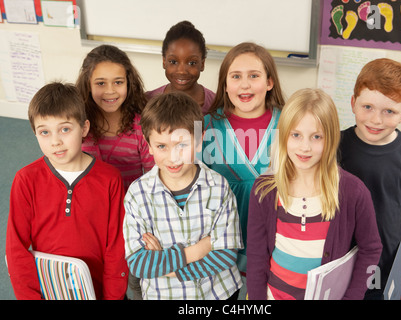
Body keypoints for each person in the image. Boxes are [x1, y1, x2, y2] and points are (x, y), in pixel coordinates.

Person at [246, 88, 382, 300]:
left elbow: (371, 249)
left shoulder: (353, 192)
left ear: (331, 139)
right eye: (296, 135)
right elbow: (256, 256)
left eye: (316, 137)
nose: (305, 147)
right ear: (283, 135)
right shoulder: (265, 189)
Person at [5, 82, 128, 300]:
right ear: (35, 134)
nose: (56, 142)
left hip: (98, 292)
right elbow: (16, 250)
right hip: (48, 291)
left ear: (84, 128)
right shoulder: (26, 180)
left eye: (65, 129)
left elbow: (116, 250)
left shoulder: (110, 179)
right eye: (44, 132)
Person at [123, 92, 243, 300]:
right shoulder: (138, 194)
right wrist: (199, 249)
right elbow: (139, 263)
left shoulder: (218, 186)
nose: (173, 157)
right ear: (148, 144)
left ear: (199, 140)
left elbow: (226, 254)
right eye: (162, 146)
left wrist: (170, 269)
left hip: (218, 293)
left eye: (182, 145)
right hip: (163, 295)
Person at [338, 58, 401, 300]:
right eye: (367, 107)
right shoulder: (333, 146)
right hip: (337, 258)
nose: (376, 120)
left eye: (389, 111)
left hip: (384, 262)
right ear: (353, 103)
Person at [202, 42, 285, 274]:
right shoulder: (208, 126)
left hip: (276, 245)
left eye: (254, 76)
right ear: (225, 85)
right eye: (236, 76)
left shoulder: (289, 123)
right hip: (220, 248)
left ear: (269, 82)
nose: (245, 84)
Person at [76, 44, 154, 191]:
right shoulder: (78, 125)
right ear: (88, 84)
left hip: (129, 208)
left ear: (128, 83)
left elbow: (153, 178)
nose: (110, 91)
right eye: (101, 83)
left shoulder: (141, 127)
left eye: (118, 82)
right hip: (90, 206)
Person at [146, 20, 215, 114]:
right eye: (173, 62)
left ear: (202, 64)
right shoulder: (147, 101)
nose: (182, 71)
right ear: (164, 62)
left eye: (192, 63)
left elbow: (198, 128)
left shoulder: (216, 105)